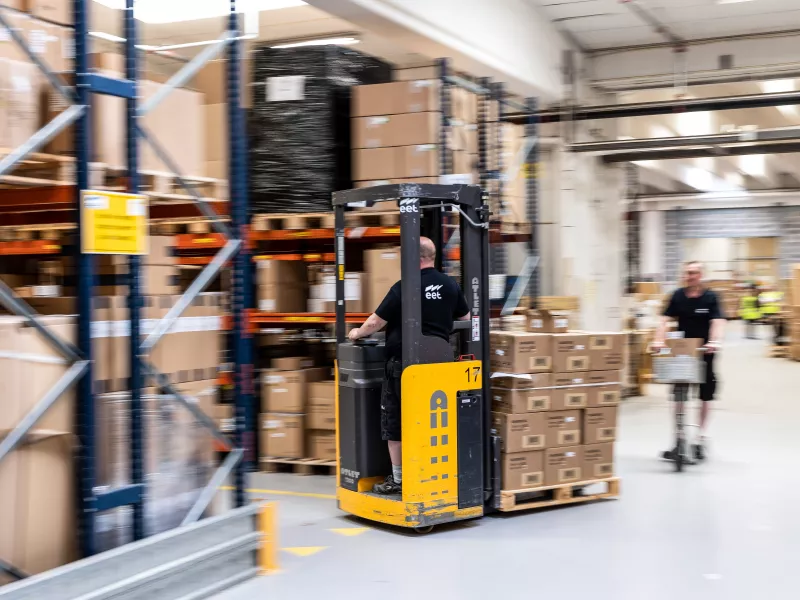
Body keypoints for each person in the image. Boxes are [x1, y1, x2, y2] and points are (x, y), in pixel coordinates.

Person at [347, 237, 470, 495]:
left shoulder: (404, 287)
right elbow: (466, 317)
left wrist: (357, 333)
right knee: (435, 420)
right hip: (439, 365)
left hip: (404, 366)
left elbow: (375, 322)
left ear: (414, 258)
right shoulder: (450, 285)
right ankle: (436, 473)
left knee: (395, 421)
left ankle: (400, 479)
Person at [654, 261, 725, 462]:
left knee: (705, 395)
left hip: (705, 351)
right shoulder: (678, 295)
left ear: (701, 275)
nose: (689, 276)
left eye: (693, 273)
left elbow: (717, 322)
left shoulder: (711, 297)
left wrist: (714, 341)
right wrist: (659, 339)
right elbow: (664, 320)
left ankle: (700, 439)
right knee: (678, 394)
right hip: (683, 351)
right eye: (687, 273)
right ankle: (679, 437)